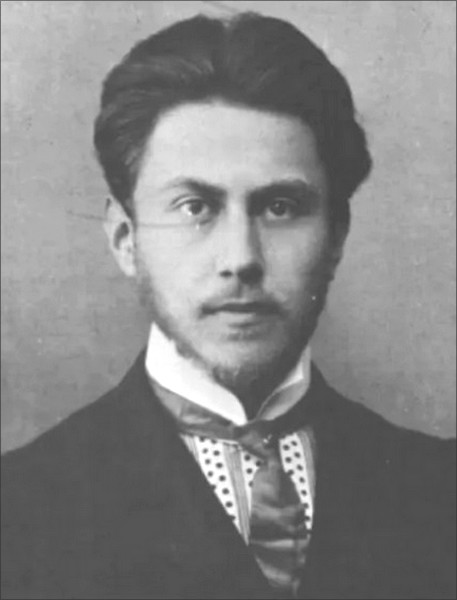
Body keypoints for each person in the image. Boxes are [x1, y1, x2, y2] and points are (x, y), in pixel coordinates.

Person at [1, 12, 455, 600]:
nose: (241, 258)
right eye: (195, 207)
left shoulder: (438, 489)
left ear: (337, 237)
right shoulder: (19, 508)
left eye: (281, 207)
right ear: (125, 239)